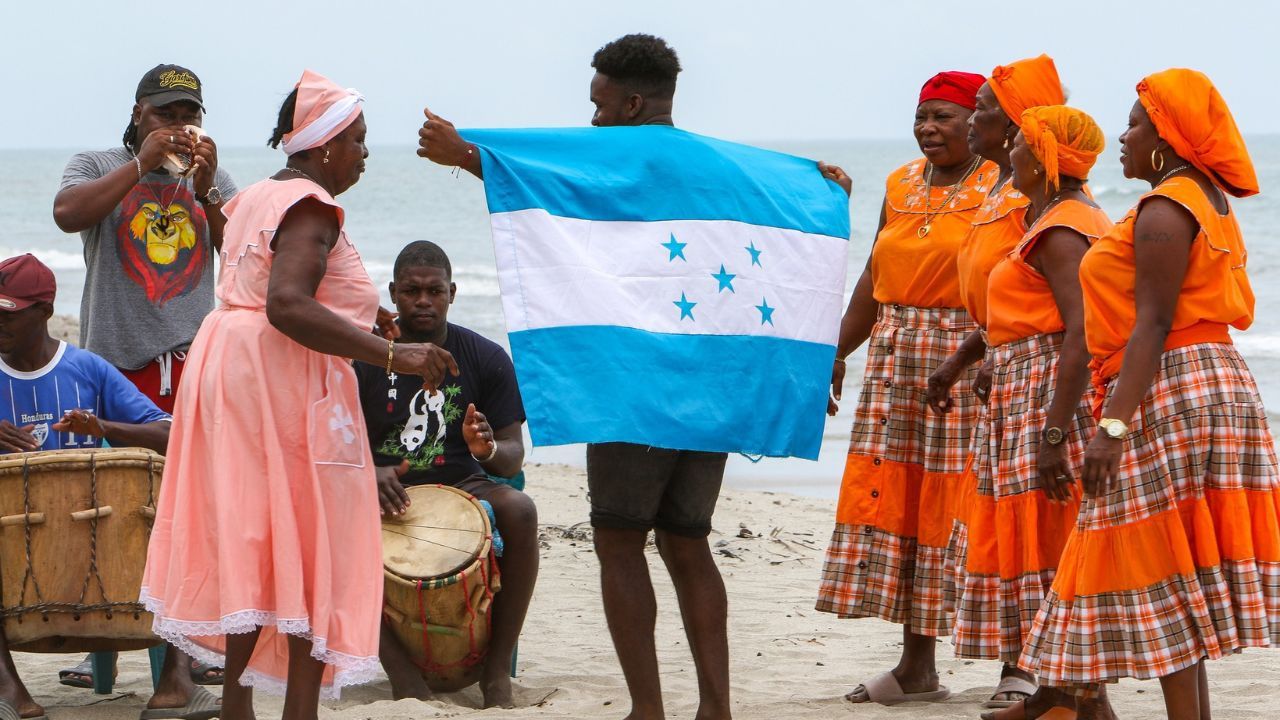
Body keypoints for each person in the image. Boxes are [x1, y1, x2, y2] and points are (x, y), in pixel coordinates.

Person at [417, 34, 735, 720]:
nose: (591, 119)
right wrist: (817, 181)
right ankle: (717, 709)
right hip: (708, 391)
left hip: (634, 389)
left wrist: (462, 155)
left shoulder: (616, 154)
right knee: (690, 543)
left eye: (599, 104)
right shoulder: (717, 163)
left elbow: (541, 190)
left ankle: (647, 710)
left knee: (620, 539)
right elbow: (776, 193)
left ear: (633, 101)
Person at [139, 70, 458, 720]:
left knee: (258, 533)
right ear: (324, 144)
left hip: (230, 367)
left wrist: (365, 322)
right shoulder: (313, 204)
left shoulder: (260, 192)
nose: (366, 155)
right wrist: (396, 353)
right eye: (359, 142)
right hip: (284, 380)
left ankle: (237, 708)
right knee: (315, 541)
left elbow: (246, 260)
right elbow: (285, 303)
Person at [1019, 69, 1280, 720]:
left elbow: (1154, 324)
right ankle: (1077, 699)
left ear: (1164, 137)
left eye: (1134, 125)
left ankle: (1067, 697)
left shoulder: (1166, 208)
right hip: (1207, 380)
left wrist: (1111, 429)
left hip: (1175, 385)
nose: (1123, 139)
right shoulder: (1201, 198)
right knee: (1168, 565)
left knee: (1153, 559)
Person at [51, 62, 237, 694]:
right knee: (115, 514)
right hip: (114, 365)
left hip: (190, 361)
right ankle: (107, 643)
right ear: (137, 115)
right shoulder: (96, 161)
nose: (179, 128)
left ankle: (187, 644)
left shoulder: (212, 177)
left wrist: (209, 190)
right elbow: (66, 214)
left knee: (191, 513)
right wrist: (139, 166)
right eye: (166, 115)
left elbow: (245, 253)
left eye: (189, 116)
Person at [815, 70, 997, 706]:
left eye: (944, 116)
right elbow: (875, 272)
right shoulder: (900, 183)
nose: (928, 128)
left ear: (980, 122)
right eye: (922, 116)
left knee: (980, 506)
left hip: (973, 360)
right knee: (910, 504)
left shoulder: (1004, 183)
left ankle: (1018, 669)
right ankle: (917, 666)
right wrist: (836, 349)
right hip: (898, 360)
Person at [962, 107, 1114, 720]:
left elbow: (1080, 333)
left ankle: (1087, 703)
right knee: (1045, 540)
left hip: (1050, 397)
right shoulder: (1055, 219)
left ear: (1046, 158)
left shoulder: (1063, 230)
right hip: (1025, 388)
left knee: (1054, 538)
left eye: (1021, 145)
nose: (1011, 153)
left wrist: (1054, 433)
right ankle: (1056, 692)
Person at [924, 55, 1065, 710]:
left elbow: (1071, 312)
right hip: (1004, 375)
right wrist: (963, 363)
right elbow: (1003, 297)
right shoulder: (996, 193)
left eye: (982, 108)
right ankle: (1041, 677)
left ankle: (1038, 674)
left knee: (1036, 528)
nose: (973, 118)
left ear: (1014, 123)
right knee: (1005, 526)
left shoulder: (1042, 205)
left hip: (1041, 380)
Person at [354, 240, 538, 708]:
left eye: (434, 291)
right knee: (325, 531)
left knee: (520, 509)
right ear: (393, 292)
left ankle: (496, 673)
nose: (422, 300)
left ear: (452, 293)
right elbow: (330, 439)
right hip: (381, 488)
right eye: (411, 290)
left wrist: (489, 448)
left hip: (462, 481)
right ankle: (402, 676)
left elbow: (513, 456)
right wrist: (370, 469)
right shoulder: (365, 357)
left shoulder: (485, 356)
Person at [0, 253, 172, 719]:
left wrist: (105, 426)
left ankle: (174, 685)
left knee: (175, 526)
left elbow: (171, 434)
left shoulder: (88, 369)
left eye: (8, 313)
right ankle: (10, 689)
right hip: (10, 546)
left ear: (44, 311)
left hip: (98, 540)